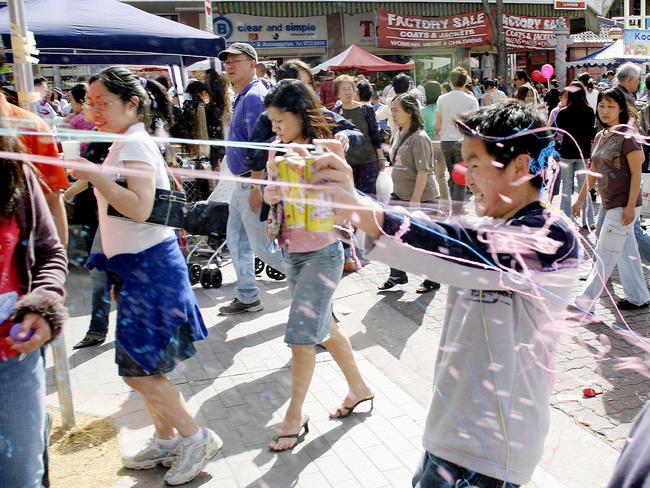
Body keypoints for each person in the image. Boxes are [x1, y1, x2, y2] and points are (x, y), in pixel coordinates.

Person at [308, 101, 580, 487]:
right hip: (451, 435)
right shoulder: (488, 222)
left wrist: (362, 207)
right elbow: (439, 244)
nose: (465, 176)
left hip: (489, 452)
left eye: (474, 163)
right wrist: (338, 205)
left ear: (520, 167)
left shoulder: (551, 236)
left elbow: (461, 246)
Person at [73, 67, 220, 485]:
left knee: (138, 371)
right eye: (90, 101)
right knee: (145, 367)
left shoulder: (135, 143)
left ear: (132, 103)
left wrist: (95, 174)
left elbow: (138, 207)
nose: (93, 110)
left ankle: (195, 437)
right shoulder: (127, 141)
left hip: (152, 268)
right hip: (140, 268)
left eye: (102, 103)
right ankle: (166, 438)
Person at [261, 79, 374, 451]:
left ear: (299, 113)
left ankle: (295, 414)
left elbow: (347, 181)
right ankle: (359, 388)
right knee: (324, 328)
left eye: (280, 121)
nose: (275, 129)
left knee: (300, 338)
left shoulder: (324, 148)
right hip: (292, 251)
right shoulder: (276, 150)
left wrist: (339, 149)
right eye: (272, 123)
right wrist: (270, 192)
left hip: (324, 252)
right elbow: (269, 191)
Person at [0, 126, 67, 488]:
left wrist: (42, 305)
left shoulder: (12, 167)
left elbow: (49, 252)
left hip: (12, 357)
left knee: (21, 477)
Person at [218, 42, 284, 315]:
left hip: (252, 181)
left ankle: (312, 280)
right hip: (243, 182)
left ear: (252, 64)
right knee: (236, 239)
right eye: (227, 62)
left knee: (262, 246)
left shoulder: (255, 95)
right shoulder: (244, 95)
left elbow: (262, 146)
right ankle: (247, 294)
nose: (230, 66)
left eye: (236, 61)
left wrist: (258, 185)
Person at [573, 88, 650, 313]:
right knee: (627, 254)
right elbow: (594, 170)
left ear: (621, 110)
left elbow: (637, 174)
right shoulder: (601, 136)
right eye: (602, 106)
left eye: (611, 106)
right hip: (610, 203)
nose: (605, 111)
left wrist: (630, 208)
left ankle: (585, 302)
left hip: (623, 205)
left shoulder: (628, 137)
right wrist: (580, 200)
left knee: (604, 253)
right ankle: (639, 297)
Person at [380, 94, 440, 294]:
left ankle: (433, 278)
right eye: (392, 109)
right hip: (399, 195)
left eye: (396, 110)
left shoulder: (419, 137)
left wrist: (415, 201)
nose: (393, 114)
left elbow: (423, 171)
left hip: (423, 198)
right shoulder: (398, 132)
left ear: (410, 111)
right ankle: (397, 274)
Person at [435, 67, 479, 215]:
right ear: (465, 82)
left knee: (451, 174)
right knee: (460, 176)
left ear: (451, 81)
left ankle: (457, 207)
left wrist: (438, 132)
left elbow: (438, 123)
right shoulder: (471, 99)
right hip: (464, 141)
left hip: (446, 140)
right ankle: (458, 209)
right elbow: (476, 123)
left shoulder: (442, 99)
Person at [333, 75, 385, 196]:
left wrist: (381, 157)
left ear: (355, 90)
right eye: (343, 89)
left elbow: (375, 134)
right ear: (337, 93)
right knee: (350, 198)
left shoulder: (366, 109)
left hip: (368, 160)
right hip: (347, 164)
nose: (347, 92)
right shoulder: (334, 113)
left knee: (370, 198)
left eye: (350, 88)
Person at [555, 83, 596, 228]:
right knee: (584, 187)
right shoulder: (590, 111)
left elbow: (559, 130)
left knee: (566, 186)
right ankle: (589, 220)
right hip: (583, 152)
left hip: (567, 151)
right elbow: (592, 132)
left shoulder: (563, 112)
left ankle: (566, 220)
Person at [421, 80, 450, 202]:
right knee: (442, 176)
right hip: (443, 142)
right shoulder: (444, 109)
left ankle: (431, 201)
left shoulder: (423, 111)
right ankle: (446, 203)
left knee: (429, 174)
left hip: (430, 144)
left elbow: (424, 131)